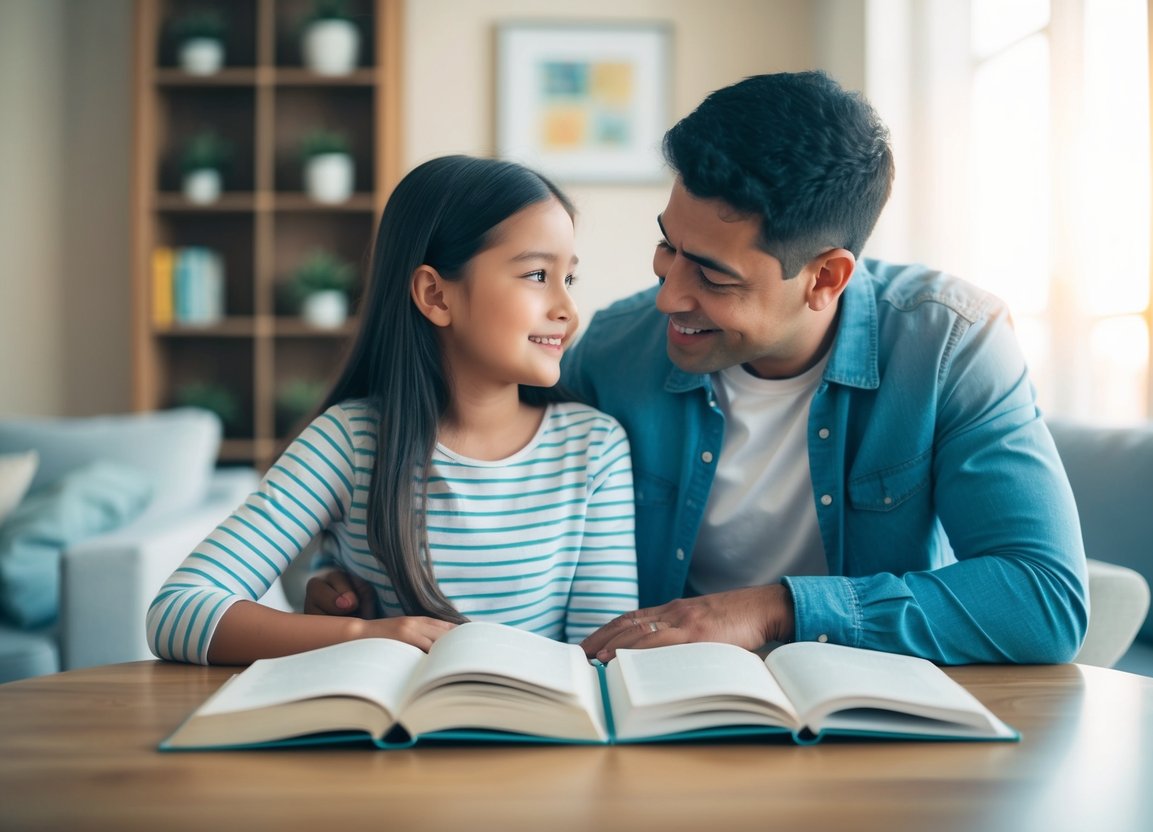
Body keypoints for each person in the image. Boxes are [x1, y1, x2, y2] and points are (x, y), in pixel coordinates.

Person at [310, 71, 1089, 667]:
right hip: (668, 698)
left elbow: (1045, 601)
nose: (667, 296)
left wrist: (775, 610)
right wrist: (333, 574)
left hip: (866, 702)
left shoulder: (950, 344)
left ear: (824, 278)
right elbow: (468, 488)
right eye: (665, 246)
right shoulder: (611, 355)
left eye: (712, 277)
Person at [147, 155, 638, 665]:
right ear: (435, 294)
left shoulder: (594, 446)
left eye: (569, 279)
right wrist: (360, 635)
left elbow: (601, 657)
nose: (566, 308)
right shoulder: (348, 442)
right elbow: (177, 611)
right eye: (537, 274)